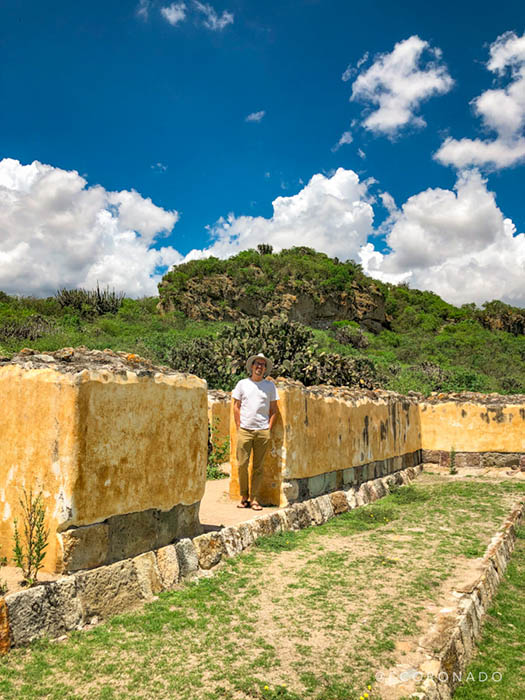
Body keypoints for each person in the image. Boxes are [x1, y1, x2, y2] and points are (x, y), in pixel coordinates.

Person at [232, 353, 279, 510]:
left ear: (265, 369)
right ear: (252, 366)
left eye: (263, 365)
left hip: (262, 431)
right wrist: (239, 425)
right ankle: (244, 496)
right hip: (245, 430)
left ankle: (254, 499)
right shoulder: (242, 384)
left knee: (258, 467)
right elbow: (236, 406)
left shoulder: (270, 386)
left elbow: (274, 409)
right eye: (257, 364)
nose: (260, 367)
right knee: (242, 465)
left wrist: (268, 428)